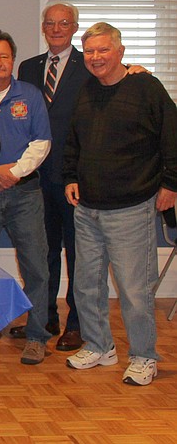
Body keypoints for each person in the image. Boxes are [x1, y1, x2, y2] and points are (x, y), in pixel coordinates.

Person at [64, 22, 177, 386]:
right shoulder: (86, 91)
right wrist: (70, 176)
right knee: (86, 285)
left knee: (133, 290)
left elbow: (172, 138)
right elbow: (74, 141)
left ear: (120, 51)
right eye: (90, 52)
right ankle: (100, 346)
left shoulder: (146, 87)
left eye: (103, 50)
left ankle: (144, 356)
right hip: (88, 208)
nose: (96, 58)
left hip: (132, 207)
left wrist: (171, 185)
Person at [0, 30, 53, 365]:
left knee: (36, 266)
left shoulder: (30, 96)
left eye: (4, 56)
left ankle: (36, 336)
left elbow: (42, 142)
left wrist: (12, 172)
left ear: (13, 61)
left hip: (25, 192)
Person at [16, 2, 90, 351]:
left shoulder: (88, 66)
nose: (56, 29)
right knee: (40, 252)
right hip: (36, 178)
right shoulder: (28, 68)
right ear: (43, 27)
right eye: (50, 23)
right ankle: (44, 317)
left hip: (75, 177)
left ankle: (76, 324)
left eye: (64, 23)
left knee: (78, 253)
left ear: (74, 27)